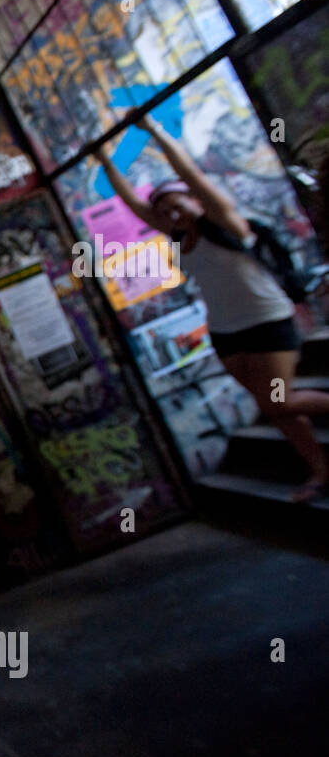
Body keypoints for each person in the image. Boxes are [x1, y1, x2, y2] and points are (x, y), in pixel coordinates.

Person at [96, 115, 329, 502]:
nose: (172, 214)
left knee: (278, 400)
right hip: (226, 333)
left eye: (177, 204)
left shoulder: (226, 221)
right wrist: (104, 157)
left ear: (194, 198)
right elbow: (133, 202)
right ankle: (320, 471)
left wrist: (154, 131)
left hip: (267, 323)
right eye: (164, 211)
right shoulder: (176, 237)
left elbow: (190, 173)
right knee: (275, 410)